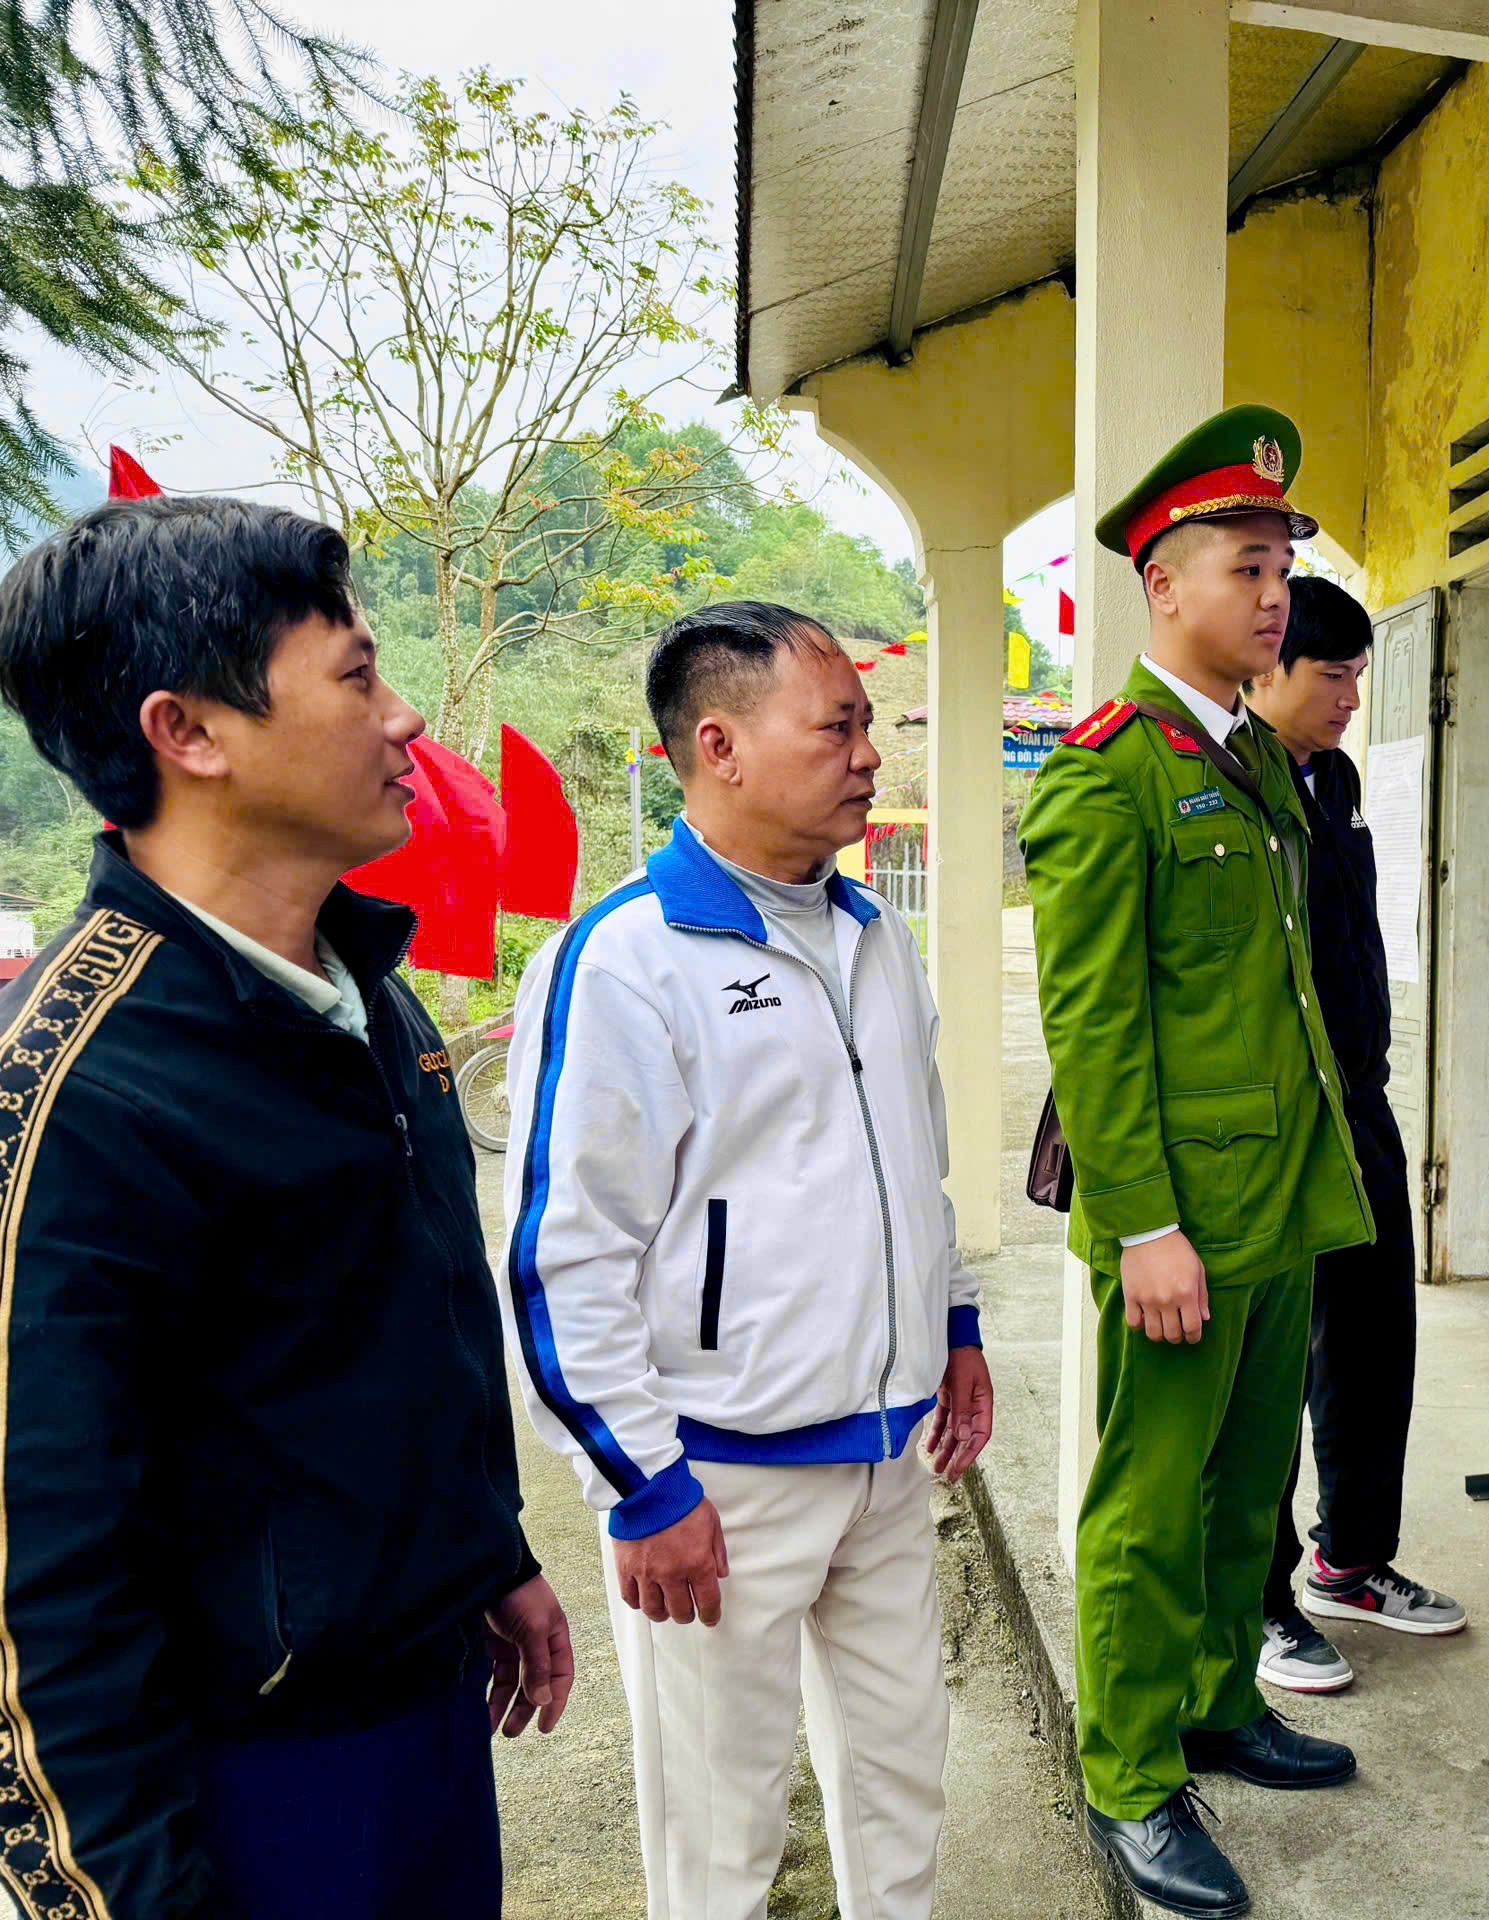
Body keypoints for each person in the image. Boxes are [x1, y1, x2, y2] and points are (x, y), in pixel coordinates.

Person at [0, 495, 571, 1918]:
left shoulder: (357, 990)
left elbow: (387, 1324)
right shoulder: (77, 1092)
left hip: (426, 1714)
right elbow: (36, 1592)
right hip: (242, 1782)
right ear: (187, 732)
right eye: (359, 675)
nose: (405, 716)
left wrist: (483, 1550)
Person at [500, 601, 992, 1920]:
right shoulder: (624, 962)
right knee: (721, 1833)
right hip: (719, 1475)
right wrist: (642, 1484)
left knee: (902, 1782)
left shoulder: (874, 939)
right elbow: (565, 1254)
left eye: (867, 726)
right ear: (717, 743)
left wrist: (954, 1325)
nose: (869, 754)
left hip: (888, 1458)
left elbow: (916, 1162)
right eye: (836, 725)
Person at [1019, 404, 1374, 1920]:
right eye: (1247, 563)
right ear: (1163, 585)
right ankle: (1132, 1774)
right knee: (1150, 1505)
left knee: (1247, 1491)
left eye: (1283, 562)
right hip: (1183, 1223)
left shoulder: (1248, 756)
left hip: (1278, 1198)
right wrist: (1144, 1221)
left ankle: (1222, 1701)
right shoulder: (1111, 774)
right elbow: (1094, 1031)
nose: (1274, 590)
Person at [1245, 574, 1465, 1695]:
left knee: (1375, 1334)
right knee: (1276, 1355)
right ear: (1271, 668)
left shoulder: (1332, 779)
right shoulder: (1234, 785)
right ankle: (1263, 1596)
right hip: (1277, 1115)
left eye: (1355, 677)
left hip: (1360, 1103)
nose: (1346, 698)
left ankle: (1351, 1559)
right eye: (1330, 676)